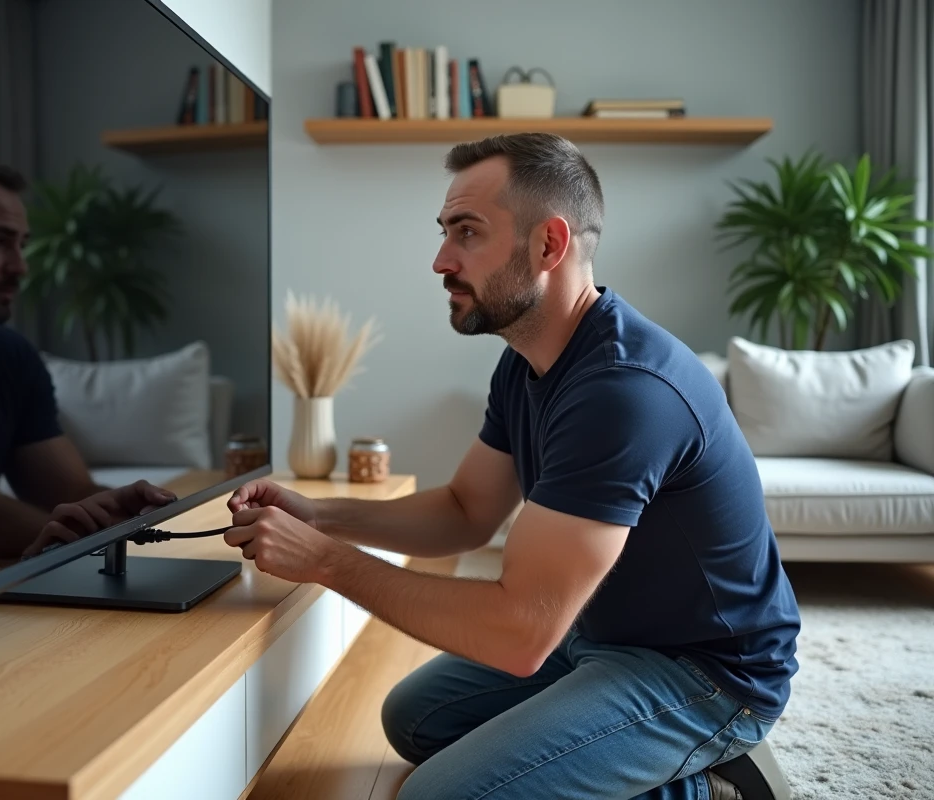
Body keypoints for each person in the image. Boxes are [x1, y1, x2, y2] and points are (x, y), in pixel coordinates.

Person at [219, 134, 801, 799]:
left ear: (549, 245)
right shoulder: (527, 362)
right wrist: (321, 514)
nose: (440, 259)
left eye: (467, 233)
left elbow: (522, 632)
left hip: (706, 674)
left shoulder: (623, 391)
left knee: (439, 795)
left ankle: (708, 787)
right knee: (414, 720)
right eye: (444, 232)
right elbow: (467, 510)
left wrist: (325, 560)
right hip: (598, 638)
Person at [0, 156, 175, 579]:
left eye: (21, 244)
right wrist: (108, 536)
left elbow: (69, 491)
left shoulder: (9, 352)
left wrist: (133, 511)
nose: (20, 266)